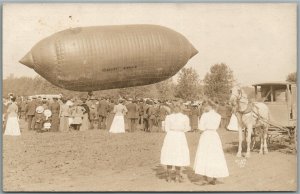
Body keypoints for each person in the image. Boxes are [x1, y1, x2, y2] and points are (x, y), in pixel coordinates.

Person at [194, 100, 229, 185]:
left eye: (205, 106)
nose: (204, 108)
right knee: (215, 156)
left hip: (206, 135)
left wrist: (200, 130)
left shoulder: (205, 115)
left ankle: (204, 178)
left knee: (204, 155)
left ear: (209, 106)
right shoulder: (218, 116)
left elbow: (201, 128)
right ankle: (214, 178)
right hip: (214, 136)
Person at [160, 102, 191, 182]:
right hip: (180, 136)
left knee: (169, 154)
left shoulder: (169, 117)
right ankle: (177, 177)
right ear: (181, 108)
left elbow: (166, 129)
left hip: (170, 136)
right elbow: (187, 129)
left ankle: (169, 177)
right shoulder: (185, 117)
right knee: (178, 155)